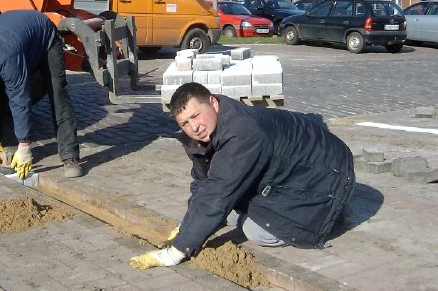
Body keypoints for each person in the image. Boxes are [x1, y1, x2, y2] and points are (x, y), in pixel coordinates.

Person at [130, 82, 355, 269]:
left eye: (196, 116)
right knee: (223, 210)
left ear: (214, 103)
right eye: (185, 123)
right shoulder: (206, 135)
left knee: (255, 230)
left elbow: (218, 192)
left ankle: (331, 216)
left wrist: (177, 251)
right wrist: (186, 224)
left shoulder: (241, 132)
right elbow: (204, 184)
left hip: (329, 176)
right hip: (292, 171)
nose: (194, 127)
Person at [0, 9, 83, 178]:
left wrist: (24, 146)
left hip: (43, 35)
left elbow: (20, 99)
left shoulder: (5, 54)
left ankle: (70, 156)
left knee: (58, 95)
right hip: (16, 35)